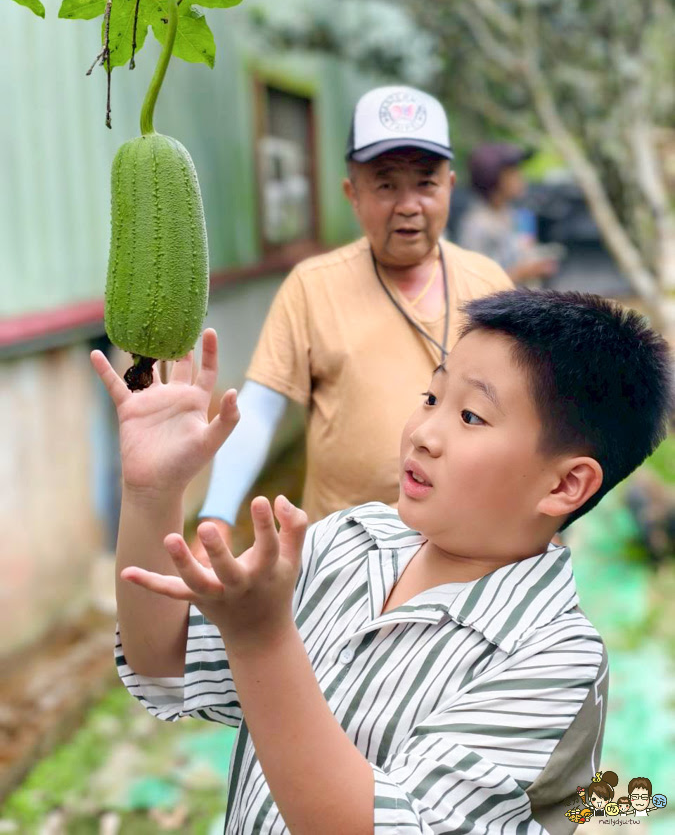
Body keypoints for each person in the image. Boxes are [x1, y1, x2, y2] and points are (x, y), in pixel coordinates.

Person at [90, 288, 673, 834]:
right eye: (431, 397)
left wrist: (262, 639)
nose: (423, 432)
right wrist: (152, 495)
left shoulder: (553, 660)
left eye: (471, 417)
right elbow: (162, 662)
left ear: (566, 485)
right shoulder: (349, 538)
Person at [198, 86, 512, 544]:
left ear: (449, 186)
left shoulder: (489, 284)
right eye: (386, 184)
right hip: (343, 557)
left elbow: (518, 416)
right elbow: (262, 407)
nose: (408, 205)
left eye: (425, 182)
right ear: (353, 193)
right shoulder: (313, 286)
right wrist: (217, 516)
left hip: (463, 546)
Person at [458, 142, 562, 286]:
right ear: (493, 178)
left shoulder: (512, 215)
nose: (521, 176)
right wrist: (522, 273)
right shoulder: (477, 225)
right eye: (513, 172)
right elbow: (475, 285)